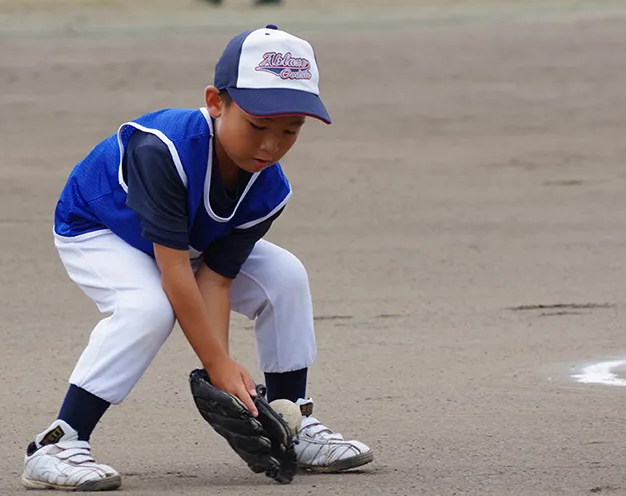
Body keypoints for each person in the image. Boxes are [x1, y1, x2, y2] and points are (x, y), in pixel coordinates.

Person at [21, 25, 373, 491]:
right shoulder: (163, 151)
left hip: (186, 244)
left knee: (284, 275)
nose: (271, 145)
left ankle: (294, 422)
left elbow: (216, 279)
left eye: (291, 130)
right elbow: (173, 272)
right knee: (148, 307)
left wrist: (224, 369)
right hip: (102, 231)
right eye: (257, 125)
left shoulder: (269, 188)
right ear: (215, 102)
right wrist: (217, 365)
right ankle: (57, 443)